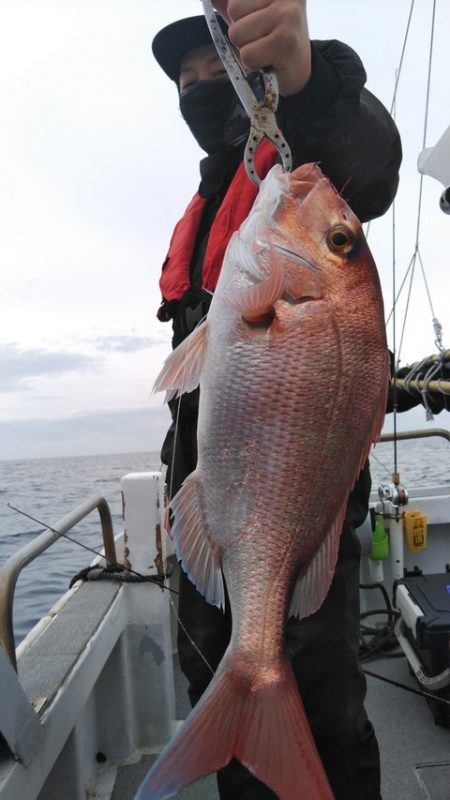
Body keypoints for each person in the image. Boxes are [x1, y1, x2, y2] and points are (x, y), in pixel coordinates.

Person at [152, 2, 403, 798]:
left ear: (247, 70)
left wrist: (300, 73)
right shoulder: (213, 207)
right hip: (215, 503)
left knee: (325, 722)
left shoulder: (289, 162)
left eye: (208, 67)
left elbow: (367, 158)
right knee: (226, 720)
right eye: (185, 79)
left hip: (288, 514)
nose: (198, 86)